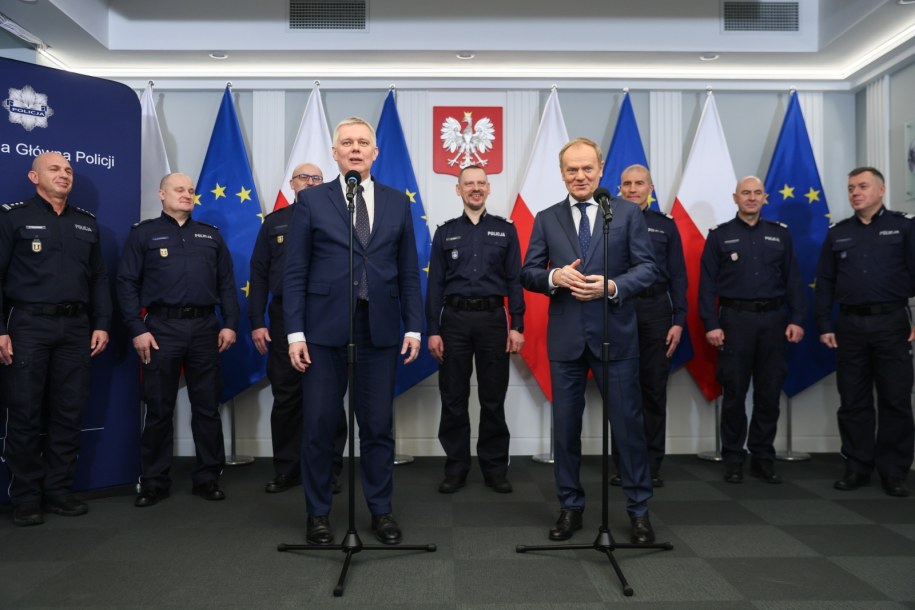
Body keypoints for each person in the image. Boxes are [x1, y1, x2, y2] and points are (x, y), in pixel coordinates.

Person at [284, 117, 423, 546]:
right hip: (324, 332)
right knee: (321, 425)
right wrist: (294, 333)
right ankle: (319, 514)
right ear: (335, 152)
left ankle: (380, 511)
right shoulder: (312, 202)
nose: (356, 148)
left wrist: (415, 327)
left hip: (379, 329)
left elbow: (408, 273)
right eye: (347, 142)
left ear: (375, 153)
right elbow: (294, 271)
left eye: (363, 142)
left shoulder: (398, 202)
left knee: (378, 426)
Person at [520, 137, 659, 544]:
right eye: (570, 170)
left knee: (628, 428)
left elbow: (648, 269)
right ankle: (570, 507)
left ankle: (638, 511)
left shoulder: (627, 213)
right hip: (565, 339)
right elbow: (528, 271)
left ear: (600, 169)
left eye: (586, 169)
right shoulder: (546, 218)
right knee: (565, 430)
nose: (579, 176)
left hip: (615, 335)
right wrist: (553, 277)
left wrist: (613, 286)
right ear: (562, 173)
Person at [0, 152, 111, 527]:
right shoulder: (13, 217)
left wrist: (102, 323)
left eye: (68, 169)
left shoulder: (87, 224)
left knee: (68, 412)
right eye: (54, 169)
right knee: (26, 411)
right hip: (28, 324)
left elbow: (98, 279)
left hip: (76, 328)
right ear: (34, 176)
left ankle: (58, 490)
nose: (64, 174)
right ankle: (27, 497)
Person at [117, 172, 239, 507]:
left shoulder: (210, 236)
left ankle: (208, 477)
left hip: (204, 329)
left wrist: (229, 324)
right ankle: (154, 481)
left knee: (207, 406)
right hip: (160, 329)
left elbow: (227, 284)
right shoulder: (144, 234)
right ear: (161, 194)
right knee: (159, 408)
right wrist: (136, 329)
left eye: (190, 191)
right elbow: (126, 283)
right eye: (179, 189)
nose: (186, 195)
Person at [699, 176, 806, 485]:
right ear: (735, 198)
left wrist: (797, 319)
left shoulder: (780, 235)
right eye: (745, 193)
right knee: (733, 394)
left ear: (764, 198)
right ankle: (734, 458)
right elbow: (706, 287)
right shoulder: (720, 236)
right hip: (735, 321)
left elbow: (794, 282)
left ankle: (763, 458)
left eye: (757, 193)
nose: (751, 198)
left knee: (769, 393)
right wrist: (711, 324)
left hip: (774, 321)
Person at [815, 166, 914, 498]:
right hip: (850, 326)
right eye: (851, 188)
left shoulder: (904, 227)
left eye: (862, 186)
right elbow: (825, 283)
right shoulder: (838, 233)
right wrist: (825, 325)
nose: (855, 192)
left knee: (895, 399)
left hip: (892, 324)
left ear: (882, 190)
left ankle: (894, 471)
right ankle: (857, 466)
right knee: (853, 399)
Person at [426, 165, 525, 495]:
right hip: (453, 321)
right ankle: (456, 468)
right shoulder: (445, 232)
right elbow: (435, 285)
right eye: (468, 184)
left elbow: (515, 282)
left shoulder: (505, 231)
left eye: (481, 183)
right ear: (458, 190)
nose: (475, 188)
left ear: (489, 188)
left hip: (493, 320)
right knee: (453, 396)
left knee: (493, 397)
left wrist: (518, 325)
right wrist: (433, 330)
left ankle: (495, 468)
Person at [249, 163, 347, 495]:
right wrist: (257, 323)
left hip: (325, 314)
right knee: (287, 395)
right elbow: (259, 273)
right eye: (303, 177)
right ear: (291, 183)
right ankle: (287, 469)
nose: (309, 182)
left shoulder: (337, 217)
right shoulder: (274, 222)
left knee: (330, 396)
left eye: (316, 178)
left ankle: (330, 469)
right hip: (282, 317)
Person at [609, 164, 686, 488]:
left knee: (653, 391)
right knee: (621, 392)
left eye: (639, 183)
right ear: (619, 188)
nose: (632, 189)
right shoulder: (608, 223)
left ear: (650, 188)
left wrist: (679, 321)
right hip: (618, 309)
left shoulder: (665, 227)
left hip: (656, 312)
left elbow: (679, 276)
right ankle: (623, 465)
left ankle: (652, 465)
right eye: (626, 184)